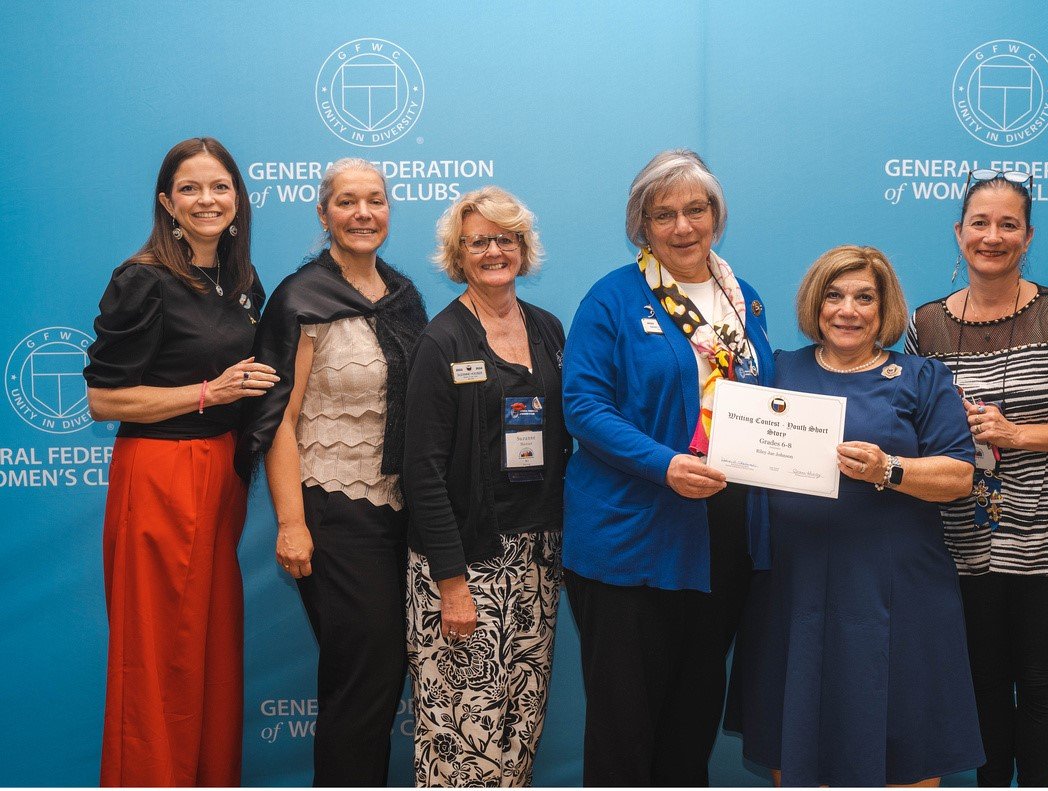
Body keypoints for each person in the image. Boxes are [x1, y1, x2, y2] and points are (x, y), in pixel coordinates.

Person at [728, 245, 983, 787]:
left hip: (896, 590)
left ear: (883, 308)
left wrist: (889, 469)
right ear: (814, 305)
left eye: (864, 298)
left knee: (903, 738)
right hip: (793, 588)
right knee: (794, 735)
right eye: (834, 296)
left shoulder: (922, 377)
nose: (848, 310)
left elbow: (960, 475)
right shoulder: (777, 370)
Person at [906, 169, 1048, 787]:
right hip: (965, 541)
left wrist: (1015, 435)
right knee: (980, 686)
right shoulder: (925, 326)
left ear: (1028, 237)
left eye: (1008, 225)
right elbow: (909, 421)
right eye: (980, 223)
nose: (993, 236)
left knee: (1038, 684)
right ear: (958, 232)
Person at [561, 149, 774, 786]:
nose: (683, 227)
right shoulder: (613, 299)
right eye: (664, 215)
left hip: (720, 539)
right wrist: (664, 464)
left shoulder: (745, 301)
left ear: (717, 215)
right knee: (626, 726)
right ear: (642, 226)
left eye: (696, 210)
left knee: (694, 716)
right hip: (634, 536)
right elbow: (583, 406)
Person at [85, 137, 275, 786]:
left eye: (219, 186)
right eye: (190, 188)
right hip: (161, 475)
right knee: (159, 658)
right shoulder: (142, 279)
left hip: (221, 477)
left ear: (238, 199)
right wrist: (207, 393)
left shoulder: (243, 280)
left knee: (211, 657)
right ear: (167, 202)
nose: (207, 200)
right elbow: (103, 398)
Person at [235, 158, 427, 786]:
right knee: (362, 678)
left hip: (403, 513)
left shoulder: (404, 297)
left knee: (381, 674)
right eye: (347, 202)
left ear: (390, 212)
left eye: (375, 201)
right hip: (333, 510)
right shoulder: (302, 298)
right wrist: (291, 524)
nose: (363, 214)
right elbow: (277, 422)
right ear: (323, 214)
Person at [403, 186, 570, 787]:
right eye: (479, 241)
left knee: (518, 729)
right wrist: (451, 584)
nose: (494, 251)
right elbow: (420, 468)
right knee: (462, 736)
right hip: (467, 564)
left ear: (523, 249)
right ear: (459, 255)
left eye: (506, 239)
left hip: (537, 561)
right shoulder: (442, 340)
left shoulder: (549, 331)